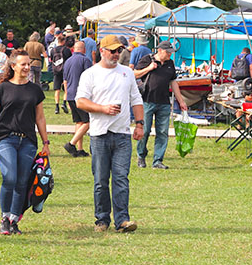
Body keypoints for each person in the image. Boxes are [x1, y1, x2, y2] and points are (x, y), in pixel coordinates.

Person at [75, 35, 144, 233]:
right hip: (99, 134)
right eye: (112, 51)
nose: (116, 55)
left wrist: (139, 125)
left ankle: (122, 220)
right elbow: (80, 101)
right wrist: (102, 109)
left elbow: (136, 99)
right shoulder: (90, 74)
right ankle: (102, 220)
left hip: (122, 134)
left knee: (121, 178)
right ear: (102, 51)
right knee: (101, 180)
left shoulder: (127, 73)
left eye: (119, 51)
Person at [0, 49, 50, 235]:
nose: (27, 67)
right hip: (5, 138)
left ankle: (14, 219)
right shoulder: (3, 88)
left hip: (27, 140)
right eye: (23, 64)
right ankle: (4, 217)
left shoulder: (35, 90)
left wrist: (45, 142)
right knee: (9, 177)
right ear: (13, 66)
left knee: (21, 182)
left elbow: (40, 118)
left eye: (29, 64)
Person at [133, 40, 189, 170]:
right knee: (145, 130)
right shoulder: (147, 59)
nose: (170, 54)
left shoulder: (170, 64)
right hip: (147, 100)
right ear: (159, 50)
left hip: (164, 102)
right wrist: (149, 68)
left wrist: (181, 101)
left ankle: (158, 160)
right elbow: (134, 73)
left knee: (163, 132)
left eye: (171, 52)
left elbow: (173, 82)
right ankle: (141, 155)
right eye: (167, 52)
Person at [63, 41, 93, 157]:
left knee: (79, 121)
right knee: (88, 121)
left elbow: (65, 80)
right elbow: (90, 78)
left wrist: (66, 94)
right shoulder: (85, 60)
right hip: (81, 95)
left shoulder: (68, 61)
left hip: (70, 94)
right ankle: (72, 143)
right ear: (84, 49)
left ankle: (79, 149)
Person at [50, 33, 71, 114]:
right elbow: (69, 60)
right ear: (64, 41)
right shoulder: (66, 50)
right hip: (64, 70)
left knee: (57, 89)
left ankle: (56, 106)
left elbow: (51, 59)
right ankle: (64, 103)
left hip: (56, 71)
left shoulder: (53, 50)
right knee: (66, 88)